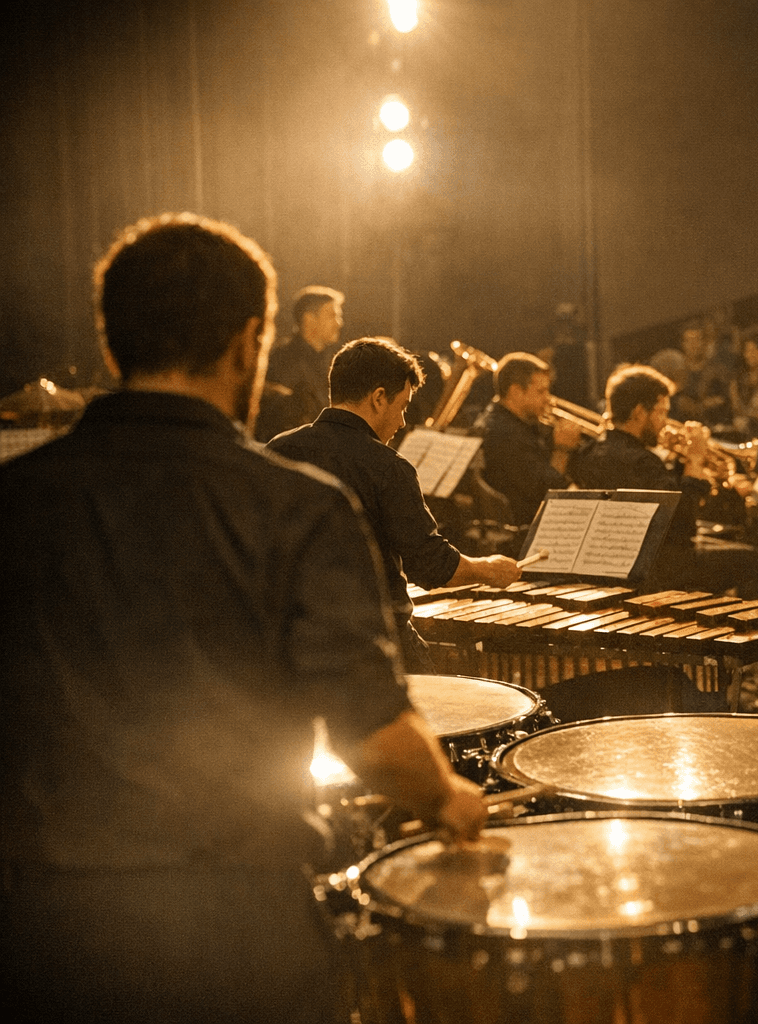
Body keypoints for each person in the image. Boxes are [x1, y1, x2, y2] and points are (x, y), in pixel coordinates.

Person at [0, 213, 485, 1021]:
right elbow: (372, 736)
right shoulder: (295, 506)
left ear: (114, 342)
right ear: (248, 343)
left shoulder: (16, 500)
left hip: (41, 928)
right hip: (237, 929)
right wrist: (445, 797)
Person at [268, 338, 525, 671]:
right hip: (374, 648)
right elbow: (430, 565)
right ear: (378, 398)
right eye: (402, 406)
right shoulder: (387, 467)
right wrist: (487, 569)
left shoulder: (277, 451)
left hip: (287, 644)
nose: (403, 422)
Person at [569, 365, 758, 599]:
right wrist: (695, 460)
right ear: (639, 412)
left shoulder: (590, 453)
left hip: (625, 560)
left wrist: (679, 462)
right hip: (657, 565)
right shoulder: (642, 461)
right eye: (661, 413)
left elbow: (669, 498)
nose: (665, 423)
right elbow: (683, 521)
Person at [475, 351, 585, 527]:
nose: (548, 399)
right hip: (526, 526)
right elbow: (547, 492)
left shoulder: (503, 421)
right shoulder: (505, 434)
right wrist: (562, 449)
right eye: (541, 391)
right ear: (516, 392)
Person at [255, 284, 343, 440]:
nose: (339, 323)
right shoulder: (282, 360)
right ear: (309, 319)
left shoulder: (332, 362)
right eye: (332, 316)